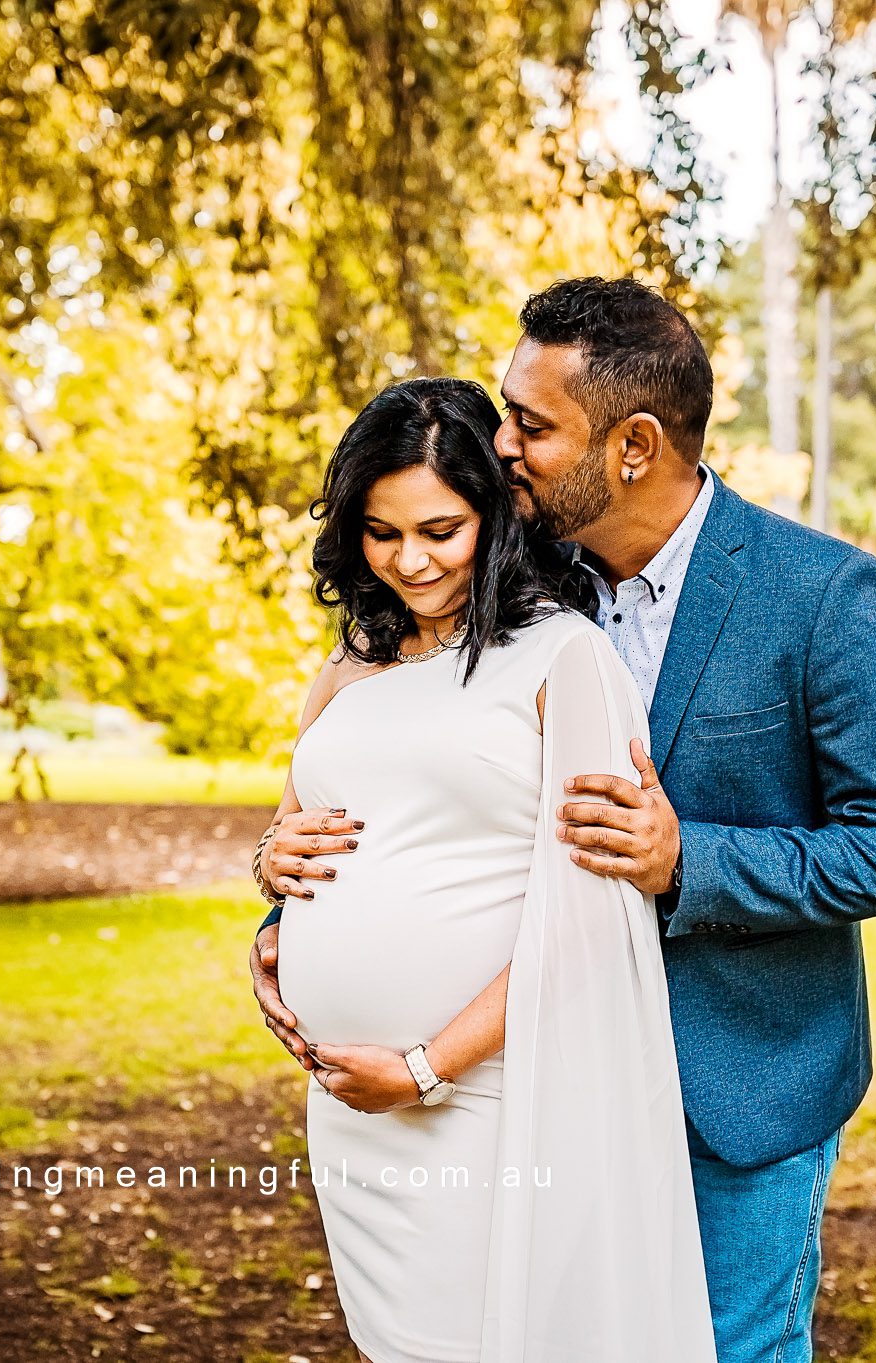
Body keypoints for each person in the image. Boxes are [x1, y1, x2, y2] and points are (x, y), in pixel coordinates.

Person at [253, 277, 876, 1363]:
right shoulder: (516, 580)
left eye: (530, 424)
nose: (501, 444)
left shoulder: (816, 592)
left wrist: (689, 860)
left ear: (631, 446)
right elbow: (415, 772)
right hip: (537, 1079)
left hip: (729, 1083)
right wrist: (283, 895)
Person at [250, 375, 717, 1363]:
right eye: (381, 533)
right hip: (350, 1109)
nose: (410, 560)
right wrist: (270, 919)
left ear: (497, 512)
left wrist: (423, 1068)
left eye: (438, 529)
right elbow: (305, 840)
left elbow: (588, 919)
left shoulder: (563, 660)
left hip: (483, 1096)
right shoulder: (343, 669)